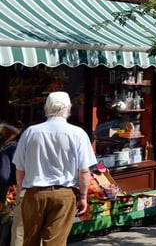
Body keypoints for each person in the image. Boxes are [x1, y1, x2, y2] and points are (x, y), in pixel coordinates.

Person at [13, 91, 97, 246]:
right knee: (55, 243)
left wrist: (20, 189)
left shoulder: (30, 132)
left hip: (34, 193)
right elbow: (84, 171)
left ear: (46, 109)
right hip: (63, 195)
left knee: (29, 241)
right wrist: (84, 196)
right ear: (69, 109)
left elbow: (20, 167)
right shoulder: (78, 134)